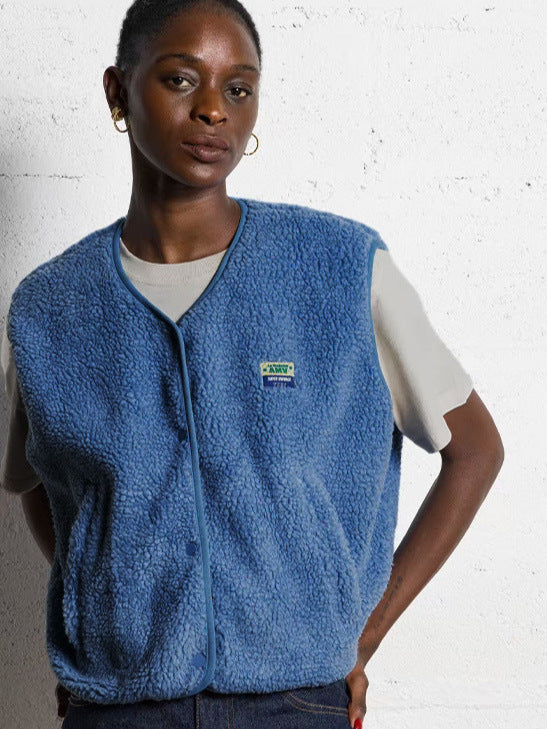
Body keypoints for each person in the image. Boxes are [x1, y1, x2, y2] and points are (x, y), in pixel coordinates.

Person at [0, 1, 504, 728]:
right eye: (181, 80)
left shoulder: (339, 267)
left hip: (296, 701)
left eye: (238, 88)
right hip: (118, 706)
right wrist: (102, 614)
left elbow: (476, 450)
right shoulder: (50, 306)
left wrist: (360, 636)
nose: (213, 109)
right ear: (118, 91)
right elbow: (37, 482)